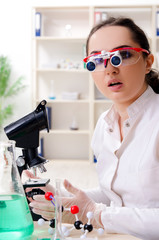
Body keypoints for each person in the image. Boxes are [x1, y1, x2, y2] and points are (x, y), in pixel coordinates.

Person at [26, 17, 159, 240]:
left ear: (147, 62)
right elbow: (114, 196)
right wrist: (61, 199)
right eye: (97, 60)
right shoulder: (104, 125)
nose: (109, 69)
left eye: (123, 55)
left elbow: (104, 211)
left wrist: (97, 215)